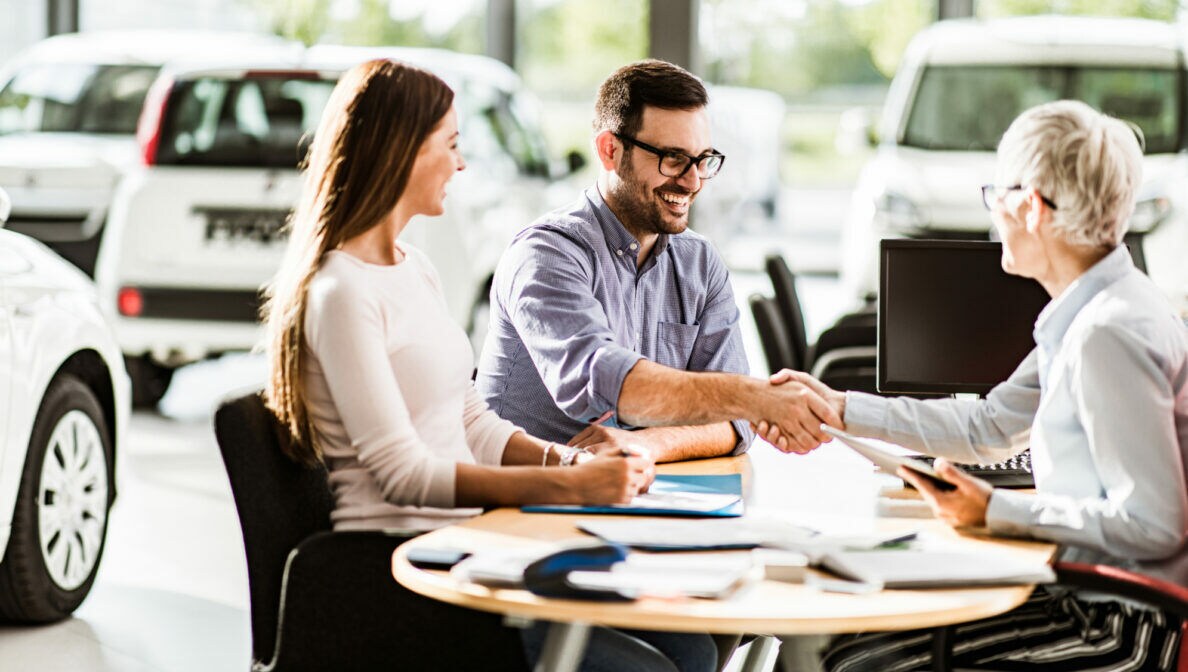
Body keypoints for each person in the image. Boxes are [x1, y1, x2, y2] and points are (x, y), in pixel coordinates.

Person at [260, 59, 715, 672]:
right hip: (394, 574)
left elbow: (471, 420)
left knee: (694, 643)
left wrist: (571, 460)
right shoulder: (341, 291)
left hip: (465, 547)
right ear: (400, 153)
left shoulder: (411, 268)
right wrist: (568, 487)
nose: (461, 164)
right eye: (449, 145)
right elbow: (404, 475)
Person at [762, 100, 1188, 670]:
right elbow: (989, 426)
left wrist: (997, 510)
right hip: (1087, 595)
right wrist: (840, 408)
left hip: (1119, 627)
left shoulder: (1106, 333)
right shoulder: (1095, 309)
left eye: (997, 194)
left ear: (1032, 207)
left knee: (862, 661)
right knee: (851, 646)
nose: (993, 215)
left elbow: (1155, 526)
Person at [475, 59, 840, 465]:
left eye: (702, 160)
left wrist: (649, 445)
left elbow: (734, 423)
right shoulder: (546, 254)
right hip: (521, 505)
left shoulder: (699, 262)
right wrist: (757, 397)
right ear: (610, 150)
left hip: (638, 494)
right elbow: (606, 385)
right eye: (672, 158)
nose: (692, 180)